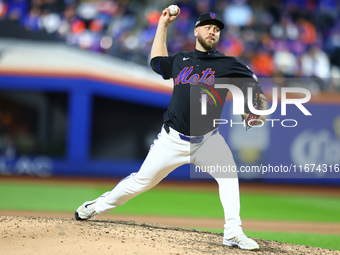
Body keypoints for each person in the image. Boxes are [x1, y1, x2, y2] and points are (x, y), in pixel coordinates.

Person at [75, 6, 267, 251]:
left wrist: (255, 106)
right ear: (196, 31)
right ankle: (95, 207)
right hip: (172, 140)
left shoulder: (228, 64)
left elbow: (254, 86)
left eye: (217, 29)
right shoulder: (181, 60)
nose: (213, 32)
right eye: (208, 27)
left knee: (229, 176)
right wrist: (163, 24)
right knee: (140, 183)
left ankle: (233, 232)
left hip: (208, 140)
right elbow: (156, 63)